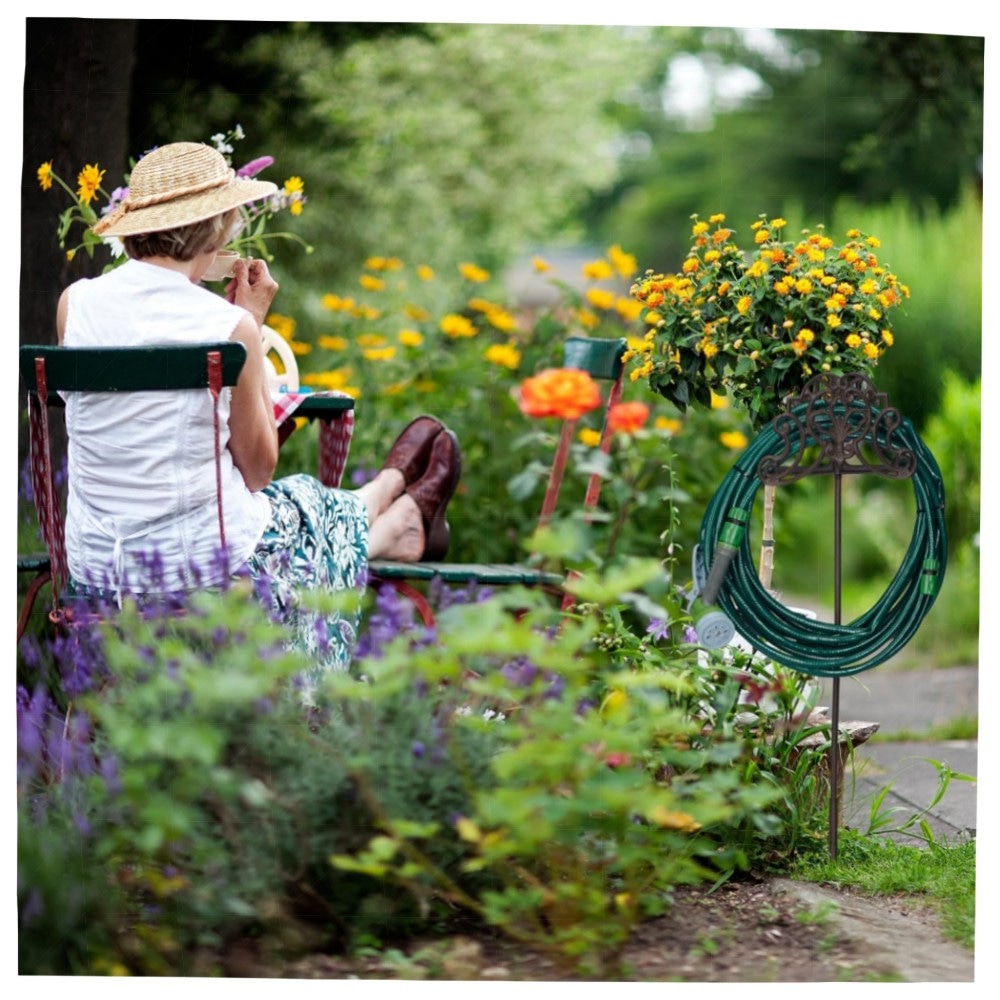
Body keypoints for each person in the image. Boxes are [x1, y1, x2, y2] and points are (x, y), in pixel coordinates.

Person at [58, 141, 461, 696]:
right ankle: (391, 510)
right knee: (305, 499)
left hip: (98, 567)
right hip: (199, 568)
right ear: (216, 230)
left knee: (297, 508)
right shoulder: (227, 327)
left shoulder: (75, 303)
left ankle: (393, 512)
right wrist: (247, 320)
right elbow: (257, 471)